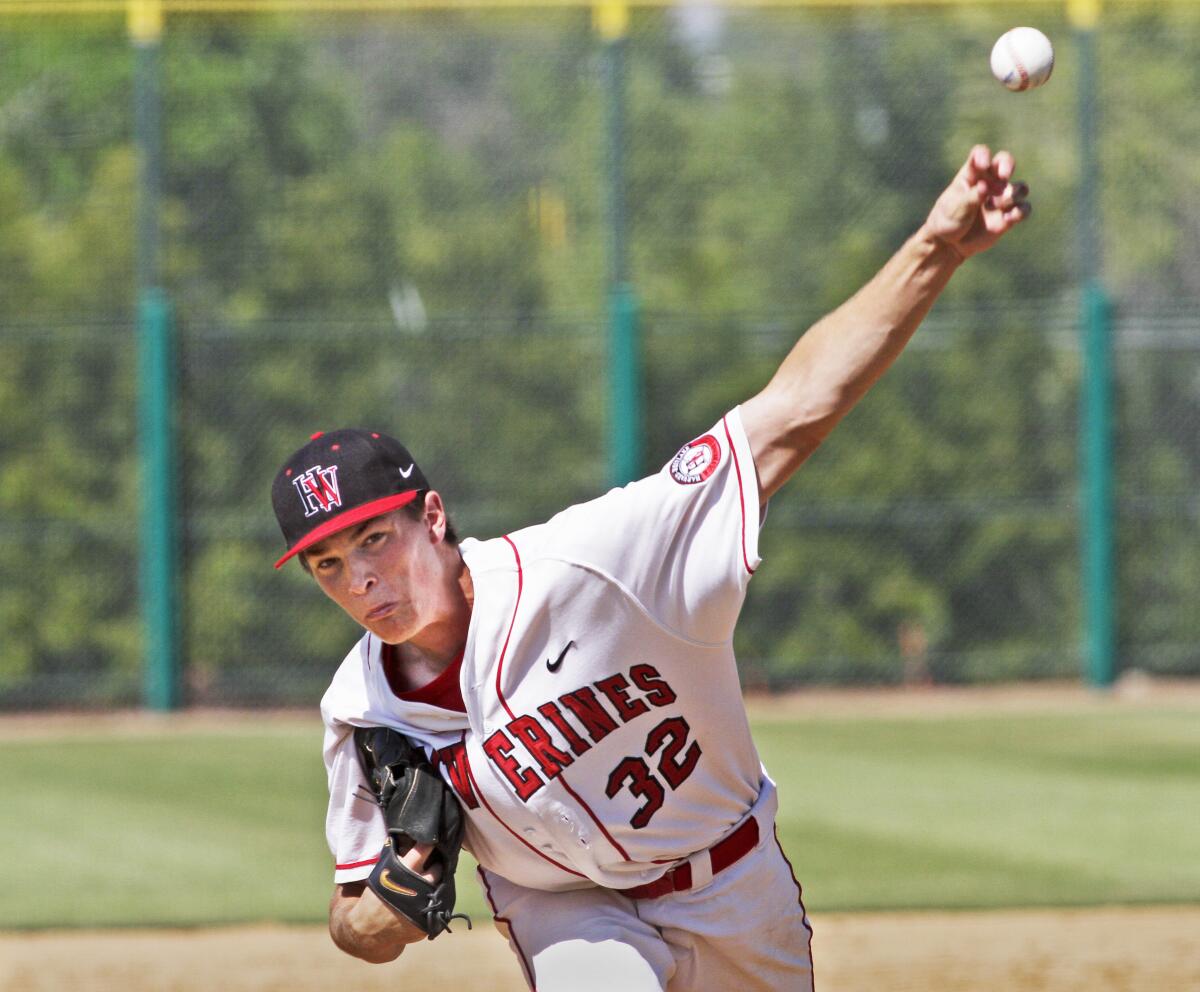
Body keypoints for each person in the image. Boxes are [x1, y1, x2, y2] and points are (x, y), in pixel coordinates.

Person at [270, 145, 1029, 991]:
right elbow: (354, 920)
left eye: (374, 539)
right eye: (328, 564)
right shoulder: (361, 708)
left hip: (734, 884)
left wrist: (937, 246)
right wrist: (378, 915)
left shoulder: (595, 565)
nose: (360, 579)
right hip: (567, 910)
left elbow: (791, 414)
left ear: (434, 517)